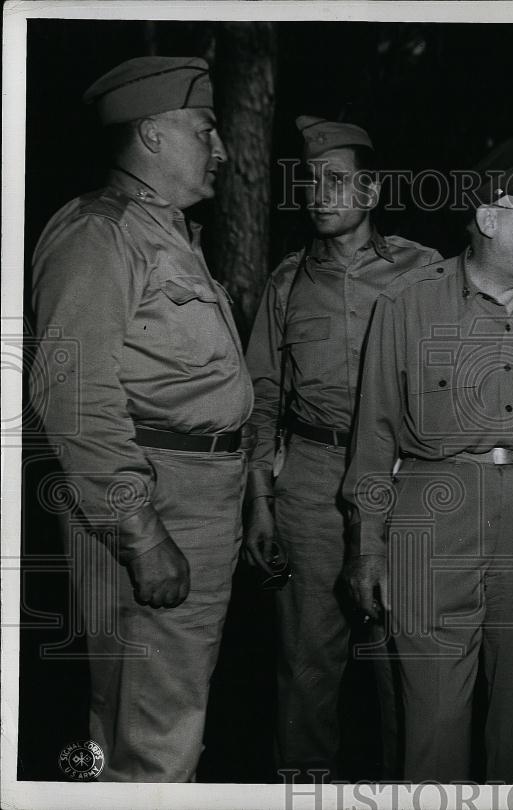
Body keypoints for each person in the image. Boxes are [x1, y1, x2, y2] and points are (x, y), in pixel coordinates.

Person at [341, 130, 513, 782]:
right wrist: (368, 546)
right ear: (489, 218)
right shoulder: (406, 306)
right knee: (431, 730)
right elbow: (374, 436)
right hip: (434, 516)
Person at [30, 56, 252, 782]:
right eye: (206, 129)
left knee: (138, 720)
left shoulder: (166, 234)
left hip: (193, 498)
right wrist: (142, 531)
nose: (220, 150)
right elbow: (74, 396)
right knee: (157, 737)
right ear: (153, 133)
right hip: (158, 503)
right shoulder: (100, 235)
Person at [242, 116, 441, 777]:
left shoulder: (425, 273)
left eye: (336, 179)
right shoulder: (287, 283)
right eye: (309, 181)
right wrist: (261, 506)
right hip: (311, 484)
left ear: (372, 189)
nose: (319, 193)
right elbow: (262, 401)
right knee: (305, 670)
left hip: (400, 482)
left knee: (404, 670)